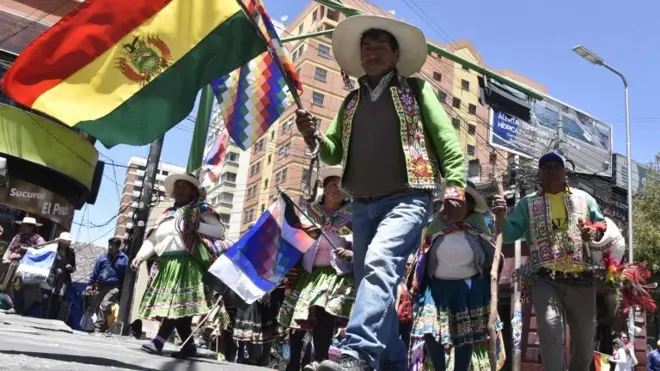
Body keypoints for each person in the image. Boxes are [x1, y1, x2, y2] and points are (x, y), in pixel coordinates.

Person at [295, 15, 466, 371]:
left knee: (379, 264)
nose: (372, 53)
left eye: (380, 47)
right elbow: (331, 152)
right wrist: (311, 134)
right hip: (361, 204)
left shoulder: (416, 91)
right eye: (367, 47)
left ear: (395, 54)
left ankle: (357, 354)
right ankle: (392, 363)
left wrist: (455, 184)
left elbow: (447, 140)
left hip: (408, 197)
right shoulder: (351, 102)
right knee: (371, 282)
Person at [491, 151, 609, 371]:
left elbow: (602, 228)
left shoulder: (585, 198)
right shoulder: (528, 203)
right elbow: (508, 235)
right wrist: (500, 217)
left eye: (556, 166)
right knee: (551, 335)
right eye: (546, 167)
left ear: (565, 173)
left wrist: (593, 232)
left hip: (582, 279)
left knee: (584, 344)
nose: (551, 170)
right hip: (545, 279)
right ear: (540, 174)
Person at [409, 182, 499, 371]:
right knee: (430, 333)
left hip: (469, 289)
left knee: (465, 337)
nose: (455, 204)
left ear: (470, 204)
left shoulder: (478, 224)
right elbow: (422, 254)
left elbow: (492, 253)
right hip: (436, 290)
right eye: (452, 200)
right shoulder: (436, 224)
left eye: (461, 200)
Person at [133, 172, 225, 358]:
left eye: (185, 187)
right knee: (180, 307)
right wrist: (141, 255)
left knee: (175, 303)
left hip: (188, 262)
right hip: (166, 264)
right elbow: (153, 239)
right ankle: (189, 345)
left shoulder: (201, 209)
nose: (180, 190)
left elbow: (219, 231)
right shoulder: (166, 214)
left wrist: (197, 226)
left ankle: (159, 340)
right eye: (178, 187)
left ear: (193, 191)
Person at [278, 166, 355, 371]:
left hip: (335, 274)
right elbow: (294, 238)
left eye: (341, 185)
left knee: (324, 314)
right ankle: (293, 362)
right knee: (300, 318)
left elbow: (361, 243)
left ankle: (320, 360)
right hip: (308, 274)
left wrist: (350, 254)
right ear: (325, 187)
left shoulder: (352, 215)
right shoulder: (309, 213)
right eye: (332, 184)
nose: (336, 189)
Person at [87, 237, 128, 333]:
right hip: (101, 285)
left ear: (118, 247)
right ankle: (104, 325)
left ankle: (98, 327)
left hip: (114, 287)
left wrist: (123, 290)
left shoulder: (124, 259)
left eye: (112, 245)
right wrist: (90, 284)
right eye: (109, 245)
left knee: (104, 305)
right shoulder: (103, 257)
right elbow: (95, 271)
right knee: (98, 305)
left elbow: (126, 276)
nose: (110, 247)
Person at [1, 217, 46, 294]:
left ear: (31, 227)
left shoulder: (38, 239)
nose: (21, 228)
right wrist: (5, 258)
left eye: (24, 226)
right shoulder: (17, 237)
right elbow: (9, 248)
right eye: (22, 226)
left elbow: (42, 252)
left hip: (24, 267)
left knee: (17, 287)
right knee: (5, 284)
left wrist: (28, 250)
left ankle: (14, 303)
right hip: (11, 263)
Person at [42, 232, 76, 319]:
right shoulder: (52, 249)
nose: (65, 243)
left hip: (62, 279)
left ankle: (51, 317)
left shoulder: (71, 253)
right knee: (45, 296)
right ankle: (43, 315)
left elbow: (74, 268)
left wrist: (70, 268)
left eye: (67, 242)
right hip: (50, 275)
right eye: (63, 241)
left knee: (56, 298)